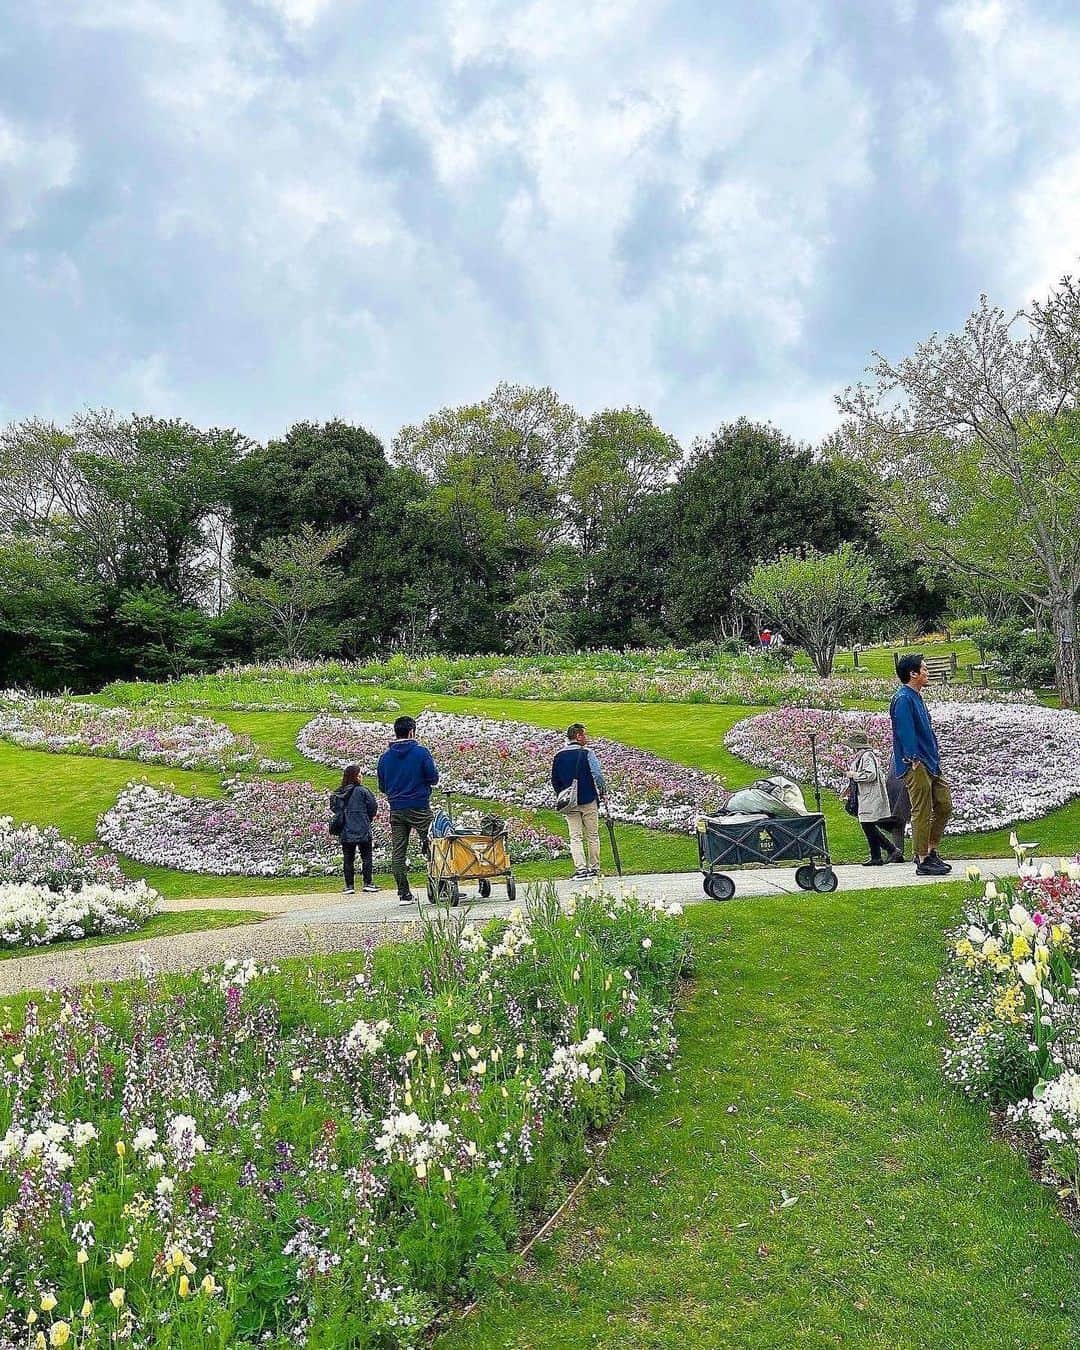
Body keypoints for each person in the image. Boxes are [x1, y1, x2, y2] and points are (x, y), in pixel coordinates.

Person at [890, 654, 953, 876]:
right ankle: (922, 858)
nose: (927, 672)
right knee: (922, 810)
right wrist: (913, 758)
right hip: (916, 763)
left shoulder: (917, 696)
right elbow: (904, 730)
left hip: (931, 762)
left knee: (944, 805)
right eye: (924, 669)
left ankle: (930, 849)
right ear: (913, 674)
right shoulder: (903, 699)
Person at [376, 715, 440, 906]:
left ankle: (404, 893)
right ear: (412, 731)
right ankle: (439, 887)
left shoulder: (385, 757)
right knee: (435, 845)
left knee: (398, 852)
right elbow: (433, 777)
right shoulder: (420, 752)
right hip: (419, 806)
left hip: (396, 808)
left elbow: (382, 786)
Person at [551, 723, 606, 880]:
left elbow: (555, 780)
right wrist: (603, 791)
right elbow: (597, 774)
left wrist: (563, 794)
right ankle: (594, 868)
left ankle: (580, 869)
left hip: (570, 802)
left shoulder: (559, 756)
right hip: (588, 798)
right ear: (578, 736)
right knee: (592, 835)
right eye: (585, 735)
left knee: (575, 836)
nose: (586, 738)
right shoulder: (587, 753)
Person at [844, 730, 904, 866]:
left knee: (868, 825)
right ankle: (877, 856)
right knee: (868, 825)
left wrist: (854, 775)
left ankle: (891, 849)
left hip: (870, 797)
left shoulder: (866, 757)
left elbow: (870, 775)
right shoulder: (862, 757)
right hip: (866, 796)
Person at [330, 765, 378, 894]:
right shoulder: (363, 791)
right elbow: (373, 807)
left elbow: (334, 808)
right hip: (362, 827)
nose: (361, 776)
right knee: (366, 856)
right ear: (355, 776)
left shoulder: (339, 792)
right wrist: (366, 817)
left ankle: (349, 885)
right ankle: (368, 882)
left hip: (346, 829)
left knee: (348, 858)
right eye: (359, 774)